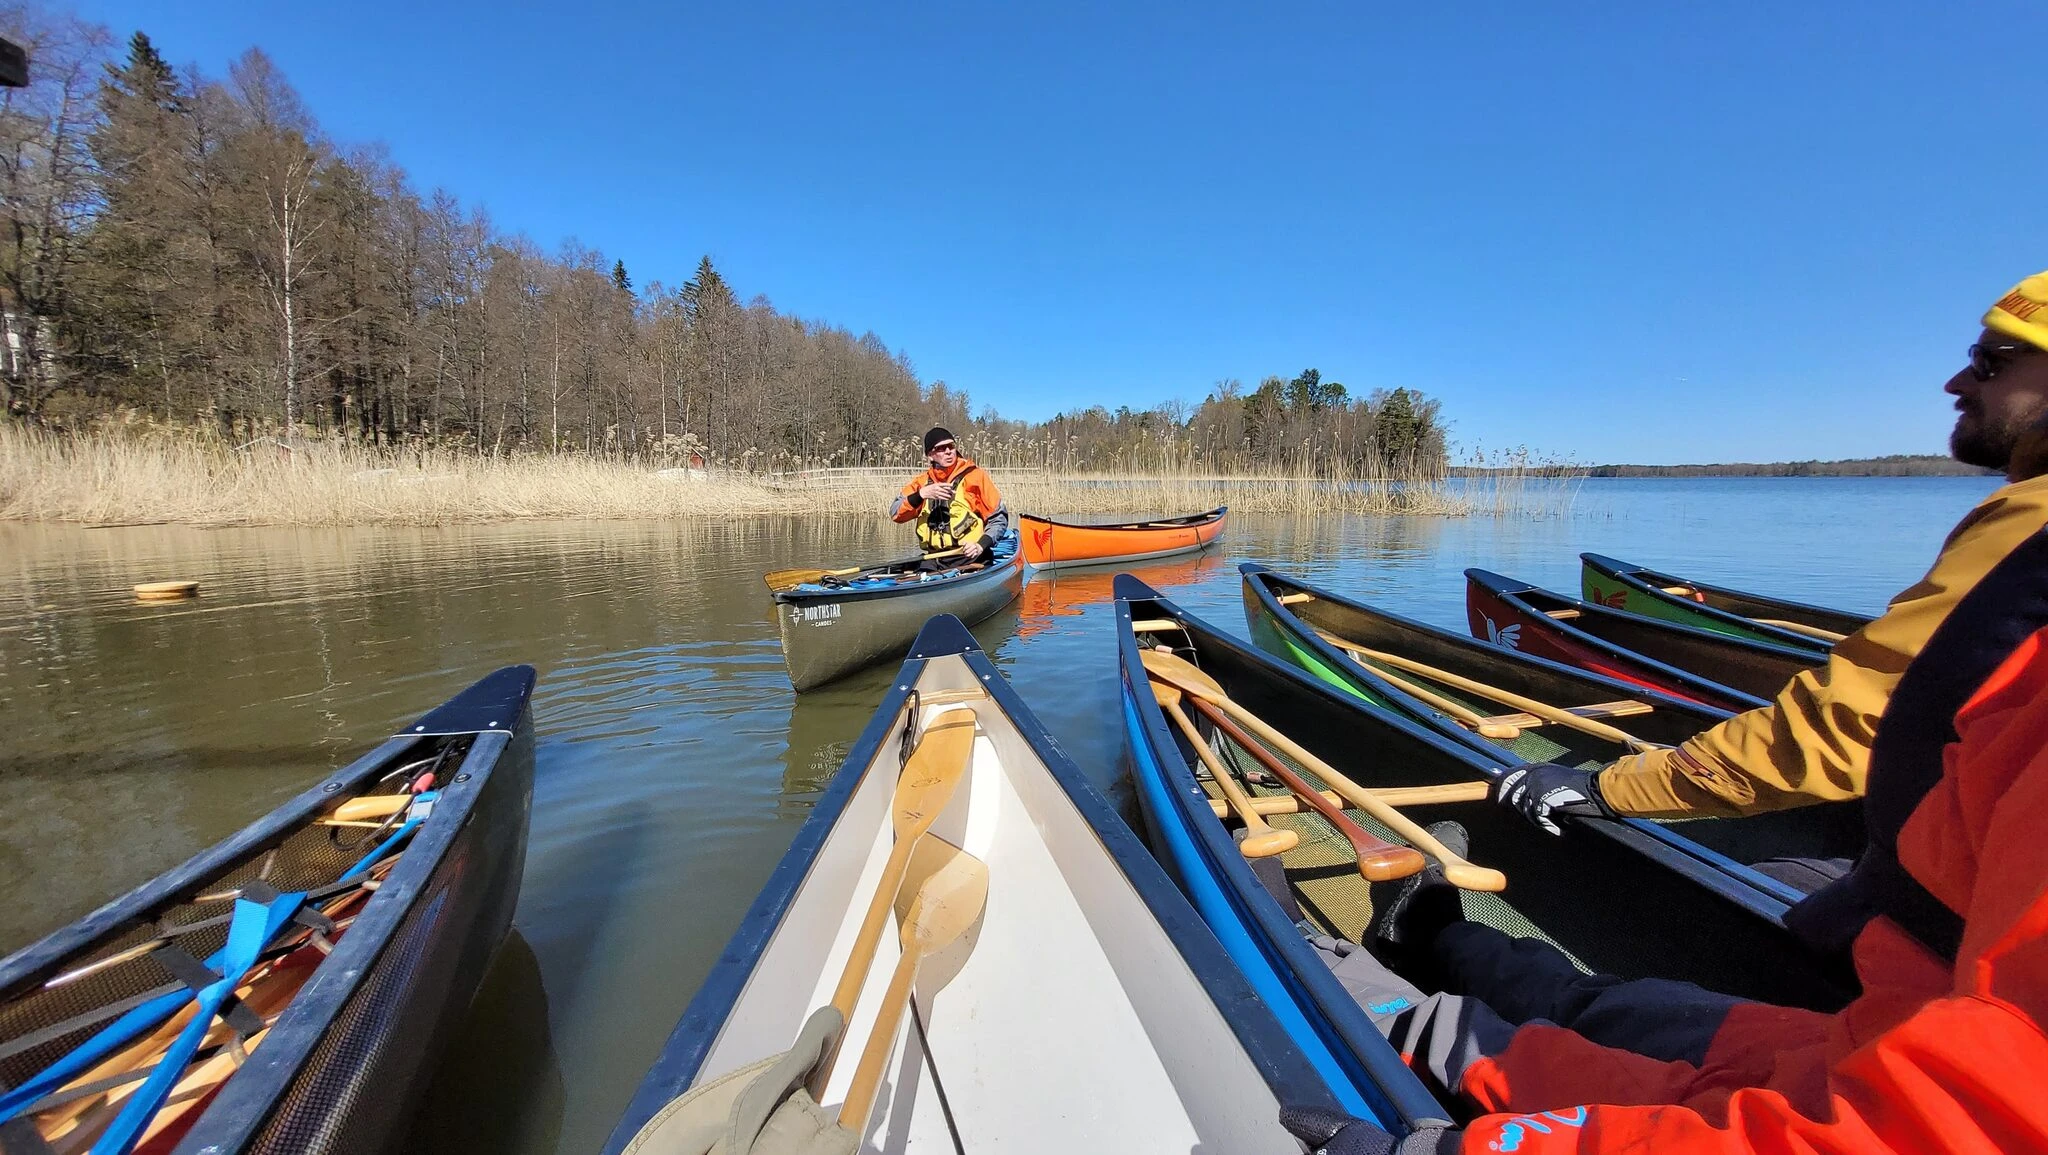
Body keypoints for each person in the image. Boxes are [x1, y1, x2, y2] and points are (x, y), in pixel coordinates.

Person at [1291, 527, 2048, 1155]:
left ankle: (1341, 977)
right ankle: (1433, 938)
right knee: (1629, 1010)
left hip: (1875, 1094)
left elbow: (1945, 1121)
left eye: (1990, 373)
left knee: (1499, 1049)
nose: (1959, 395)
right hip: (1881, 1032)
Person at [1495, 271, 2048, 840]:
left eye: (1990, 361)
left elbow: (1862, 722)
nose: (1957, 382)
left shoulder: (2036, 519)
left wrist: (1607, 788)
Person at [890, 427, 1010, 565]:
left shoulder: (975, 477)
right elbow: (895, 513)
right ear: (930, 455)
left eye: (951, 446)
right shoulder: (922, 483)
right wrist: (921, 495)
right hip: (935, 558)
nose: (948, 451)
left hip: (970, 557)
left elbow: (999, 519)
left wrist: (980, 545)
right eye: (941, 448)